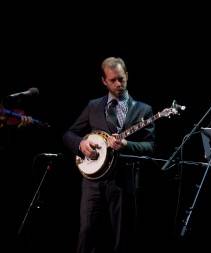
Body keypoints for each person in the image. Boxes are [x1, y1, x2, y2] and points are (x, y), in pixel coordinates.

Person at [62, 56, 155, 253]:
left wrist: (127, 144)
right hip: (92, 182)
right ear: (104, 81)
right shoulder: (93, 106)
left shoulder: (143, 110)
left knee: (122, 237)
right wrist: (81, 143)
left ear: (127, 76)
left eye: (121, 78)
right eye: (112, 80)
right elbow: (68, 134)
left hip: (122, 181)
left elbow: (150, 146)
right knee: (86, 233)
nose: (118, 84)